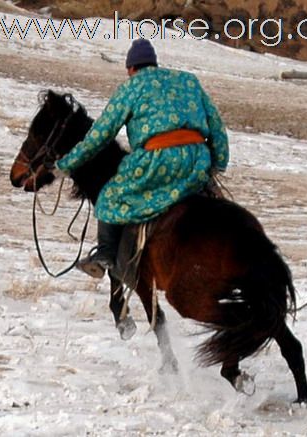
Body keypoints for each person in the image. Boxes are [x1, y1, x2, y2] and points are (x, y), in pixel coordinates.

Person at [52, 39, 229, 278]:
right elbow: (216, 125)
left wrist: (67, 164)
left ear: (131, 68)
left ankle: (105, 254)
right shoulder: (188, 80)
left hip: (156, 161)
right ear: (153, 63)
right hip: (196, 160)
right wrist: (218, 163)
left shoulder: (131, 87)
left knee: (109, 197)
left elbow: (100, 135)